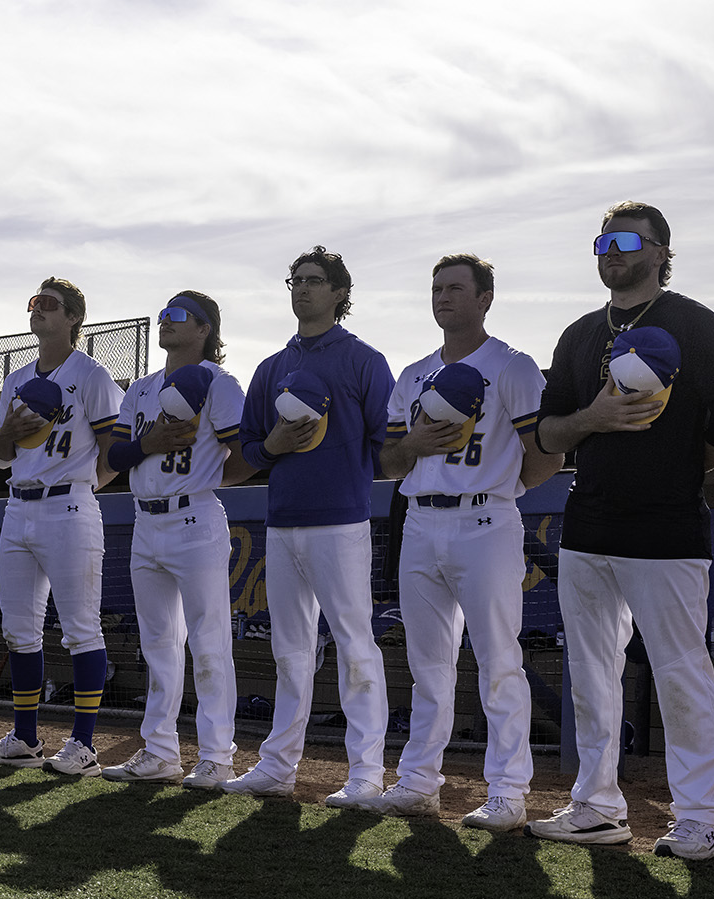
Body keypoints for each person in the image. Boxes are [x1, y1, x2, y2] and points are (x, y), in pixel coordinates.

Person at [528, 201, 714, 860]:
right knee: (591, 676)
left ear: (661, 251)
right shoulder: (577, 336)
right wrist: (594, 418)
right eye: (601, 240)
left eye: (627, 240)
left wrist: (675, 466)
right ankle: (596, 808)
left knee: (680, 674)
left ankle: (698, 820)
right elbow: (547, 432)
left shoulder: (694, 323)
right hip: (588, 525)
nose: (611, 250)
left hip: (668, 529)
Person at [370, 255, 563, 829]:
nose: (442, 297)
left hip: (485, 522)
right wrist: (418, 447)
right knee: (428, 663)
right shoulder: (413, 373)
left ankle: (507, 790)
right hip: (420, 520)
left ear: (485, 299)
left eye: (456, 287)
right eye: (436, 288)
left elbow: (548, 457)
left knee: (499, 660)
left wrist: (497, 491)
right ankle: (418, 781)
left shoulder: (513, 366)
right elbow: (385, 461)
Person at [224, 246, 395, 806]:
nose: (302, 289)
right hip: (283, 522)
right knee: (290, 649)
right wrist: (269, 446)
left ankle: (367, 773)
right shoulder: (270, 367)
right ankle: (278, 766)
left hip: (341, 522)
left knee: (354, 646)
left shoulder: (364, 361)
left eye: (314, 281)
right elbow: (247, 449)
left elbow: (385, 446)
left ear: (340, 293)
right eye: (294, 280)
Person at [0, 279, 123, 776]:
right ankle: (25, 736)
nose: (38, 310)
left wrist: (80, 490)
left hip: (68, 507)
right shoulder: (15, 379)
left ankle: (83, 745)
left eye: (50, 304)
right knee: (19, 631)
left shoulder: (93, 375)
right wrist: (7, 437)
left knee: (81, 629)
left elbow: (112, 456)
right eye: (34, 302)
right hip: (18, 506)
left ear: (74, 317)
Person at [101, 291, 249, 786]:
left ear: (204, 329)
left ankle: (216, 755)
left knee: (209, 643)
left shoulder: (220, 383)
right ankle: (161, 750)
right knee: (158, 644)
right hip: (146, 520)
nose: (165, 321)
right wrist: (151, 444)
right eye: (162, 314)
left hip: (195, 518)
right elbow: (115, 459)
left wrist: (209, 480)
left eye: (177, 315)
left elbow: (244, 453)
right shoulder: (141, 388)